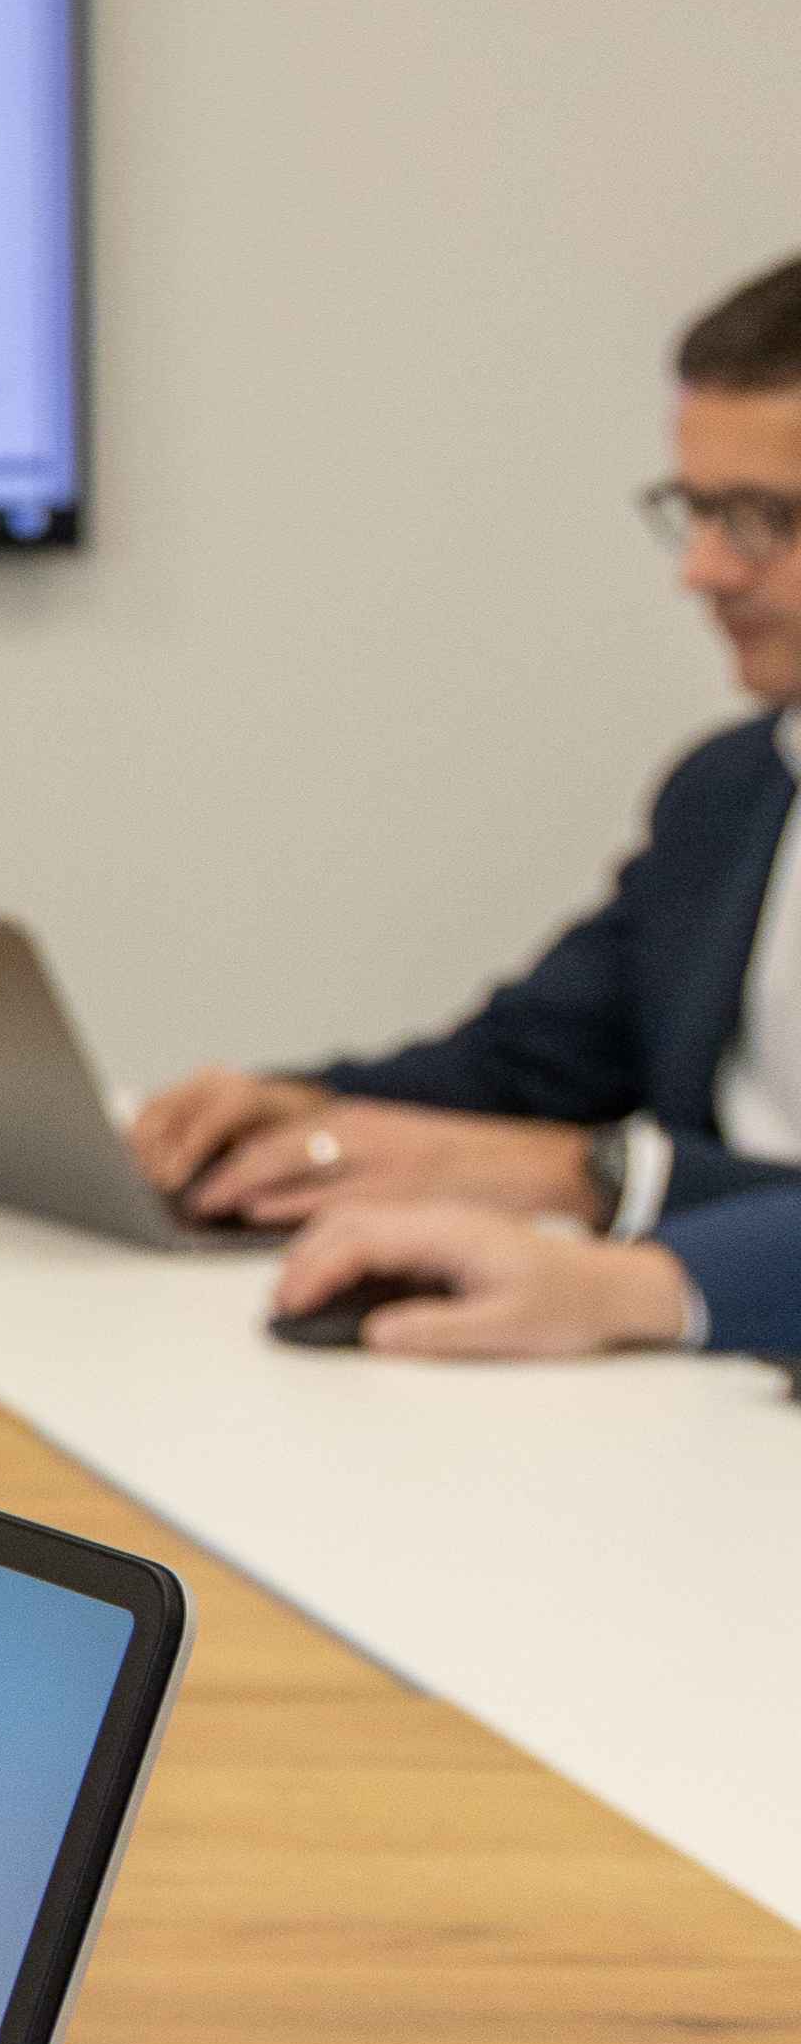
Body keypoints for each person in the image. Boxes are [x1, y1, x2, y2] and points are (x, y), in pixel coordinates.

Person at [130, 247, 801, 1366]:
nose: (704, 571)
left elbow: (573, 1156)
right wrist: (297, 1106)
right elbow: (528, 1065)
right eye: (694, 512)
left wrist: (606, 1199)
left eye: (764, 520)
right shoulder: (733, 790)